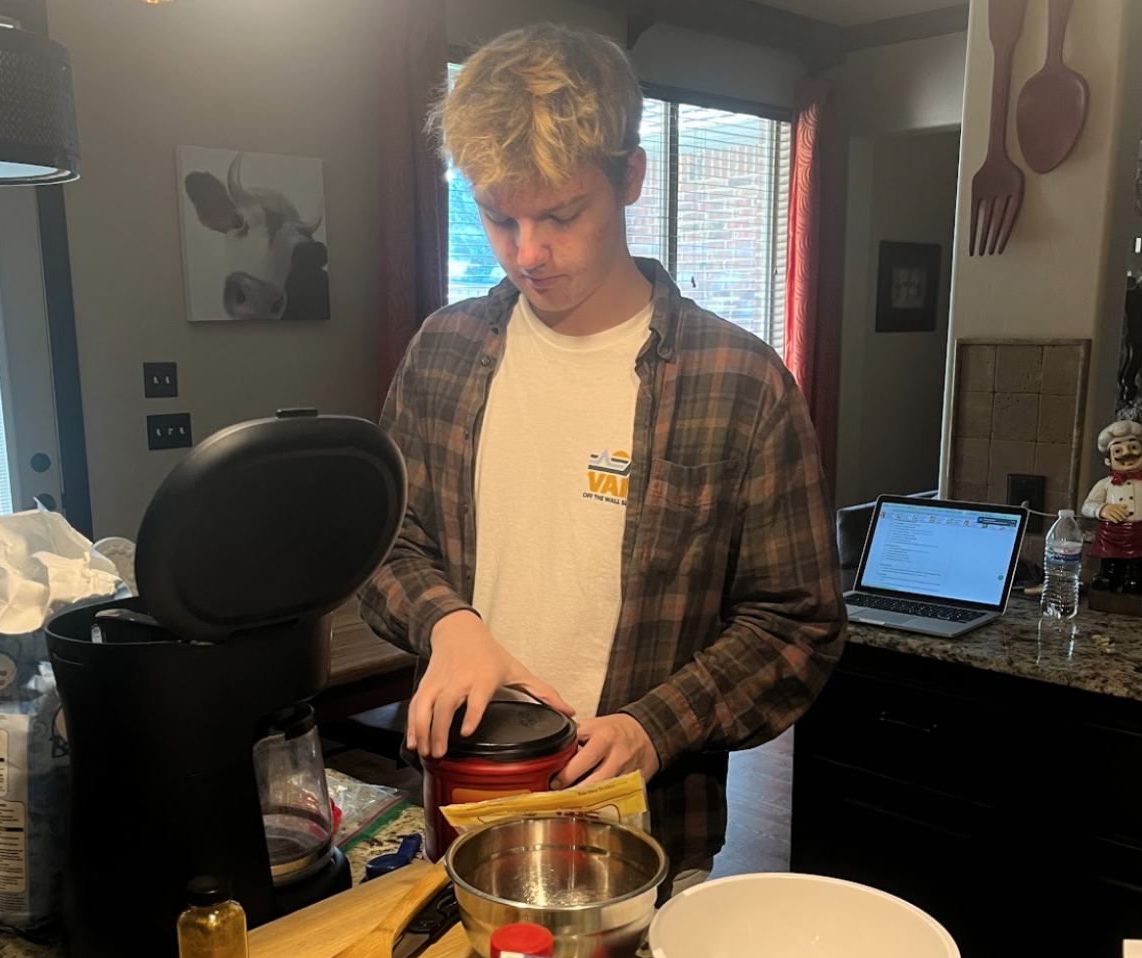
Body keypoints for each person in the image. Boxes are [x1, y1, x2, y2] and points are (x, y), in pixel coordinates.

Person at [360, 23, 846, 888]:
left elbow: (796, 625)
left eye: (560, 214)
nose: (527, 251)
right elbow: (382, 543)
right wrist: (449, 622)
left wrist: (656, 725)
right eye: (498, 216)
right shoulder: (441, 353)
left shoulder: (740, 383)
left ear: (629, 178)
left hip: (648, 841)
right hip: (465, 813)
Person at [1083, 419, 1142, 596]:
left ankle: (1136, 579)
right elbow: (1087, 505)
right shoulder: (1105, 484)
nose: (1126, 454)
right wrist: (1103, 509)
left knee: (1138, 563)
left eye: (1133, 447)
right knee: (1111, 561)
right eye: (1118, 450)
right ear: (1108, 461)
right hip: (1112, 532)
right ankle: (1109, 576)